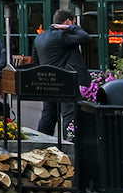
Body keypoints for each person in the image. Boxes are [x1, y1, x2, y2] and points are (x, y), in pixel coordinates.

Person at [33, 8, 92, 139]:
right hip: (64, 82)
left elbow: (36, 61)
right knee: (69, 115)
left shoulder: (39, 37)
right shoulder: (61, 35)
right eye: (72, 22)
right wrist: (71, 28)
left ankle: (41, 141)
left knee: (48, 115)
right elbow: (85, 37)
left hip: (46, 83)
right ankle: (70, 143)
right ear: (67, 21)